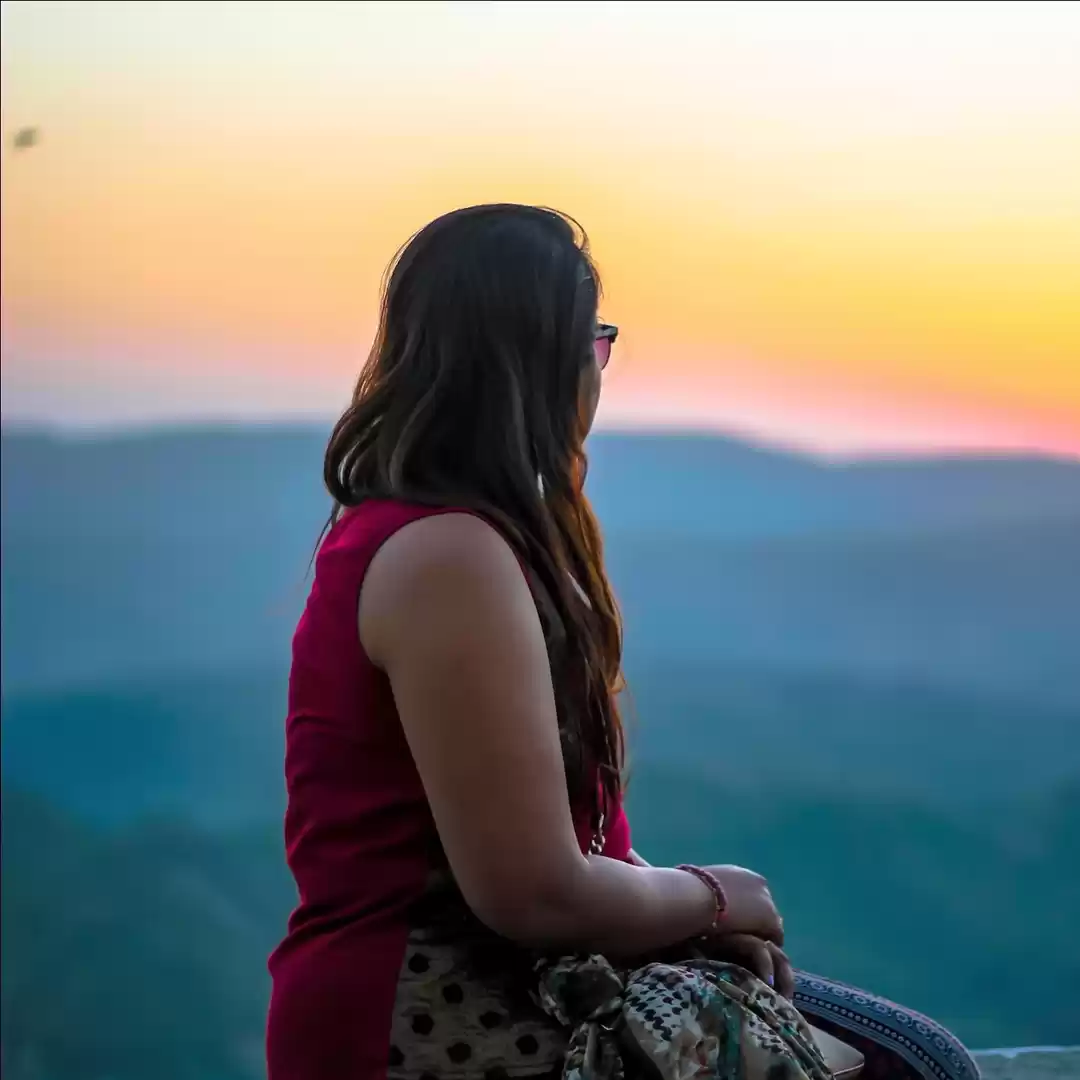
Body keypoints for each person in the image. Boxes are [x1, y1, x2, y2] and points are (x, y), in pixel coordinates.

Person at [266, 204, 978, 1080]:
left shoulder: (428, 538)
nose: (598, 370)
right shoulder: (450, 557)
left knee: (911, 1054)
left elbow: (560, 849)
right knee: (913, 1067)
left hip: (511, 982)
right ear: (543, 356)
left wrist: (681, 914)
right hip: (427, 1014)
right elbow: (534, 891)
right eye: (593, 340)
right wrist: (719, 895)